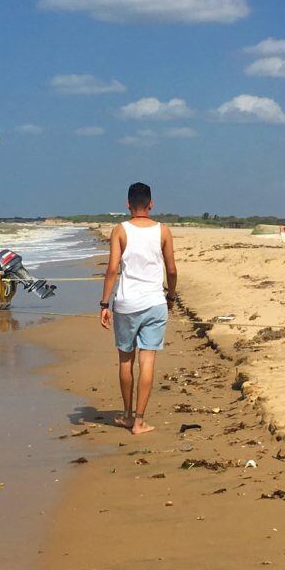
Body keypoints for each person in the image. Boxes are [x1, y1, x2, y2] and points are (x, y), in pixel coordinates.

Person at [98, 182, 176, 435]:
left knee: (125, 360)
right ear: (151, 204)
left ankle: (128, 414)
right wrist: (171, 296)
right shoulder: (163, 231)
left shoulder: (120, 230)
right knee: (148, 359)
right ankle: (140, 421)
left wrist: (104, 303)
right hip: (155, 302)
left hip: (126, 303)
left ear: (128, 204)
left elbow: (111, 269)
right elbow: (172, 270)